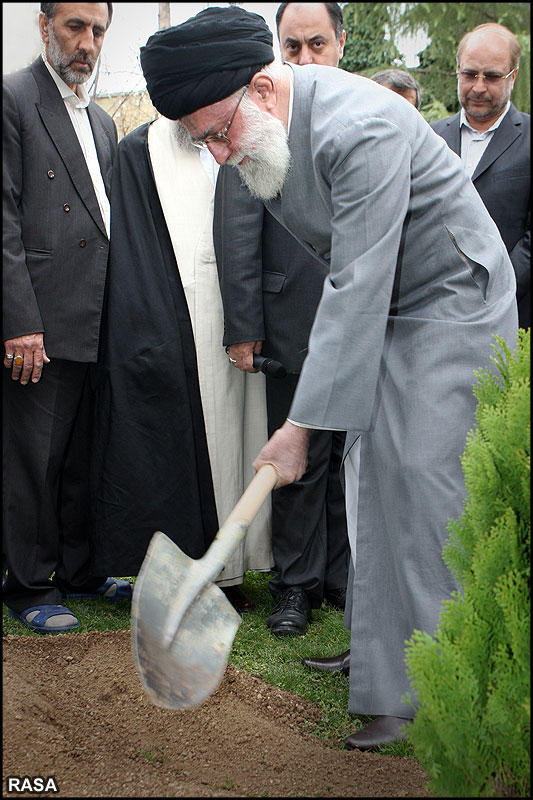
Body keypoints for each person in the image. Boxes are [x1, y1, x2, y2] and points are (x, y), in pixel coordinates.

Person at [139, 6, 519, 750]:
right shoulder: (267, 134)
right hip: (387, 303)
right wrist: (313, 416)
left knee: (423, 486)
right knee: (369, 479)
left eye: (219, 132)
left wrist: (296, 426)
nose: (217, 154)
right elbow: (353, 283)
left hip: (449, 306)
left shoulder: (359, 126)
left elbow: (356, 282)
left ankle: (429, 693)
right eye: (201, 140)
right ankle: (383, 659)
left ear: (262, 88)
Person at [88, 35, 273, 610]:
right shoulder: (141, 152)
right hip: (179, 325)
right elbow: (133, 249)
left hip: (253, 316)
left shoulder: (260, 133)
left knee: (250, 438)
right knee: (195, 441)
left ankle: (241, 568)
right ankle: (198, 567)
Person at [213, 2, 350, 636]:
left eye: (315, 43)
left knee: (349, 454)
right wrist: (244, 324)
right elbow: (237, 227)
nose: (303, 56)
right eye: (290, 45)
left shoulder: (357, 115)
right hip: (288, 316)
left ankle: (342, 577)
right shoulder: (255, 118)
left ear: (340, 44)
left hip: (358, 316)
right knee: (296, 453)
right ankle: (295, 585)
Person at [2, 3, 132, 635]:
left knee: (84, 452)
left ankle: (80, 572)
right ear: (44, 22)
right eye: (75, 26)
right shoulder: (12, 97)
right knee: (34, 457)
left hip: (97, 312)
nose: (87, 43)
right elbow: (2, 221)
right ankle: (28, 583)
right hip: (39, 320)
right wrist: (20, 321)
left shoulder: (104, 122)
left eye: (98, 31)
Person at [431, 23, 530, 329]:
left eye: (492, 76)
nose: (478, 87)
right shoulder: (429, 137)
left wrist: (495, 291)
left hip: (511, 315)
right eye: (470, 74)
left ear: (512, 76)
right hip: (436, 313)